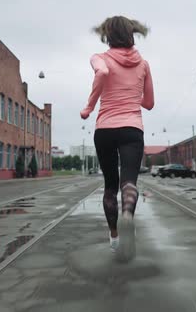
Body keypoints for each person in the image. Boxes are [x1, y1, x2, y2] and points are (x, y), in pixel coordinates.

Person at [80, 16, 154, 262]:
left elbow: (101, 73)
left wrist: (89, 107)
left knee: (110, 186)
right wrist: (133, 95)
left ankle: (114, 237)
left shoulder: (99, 58)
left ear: (107, 35)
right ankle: (128, 215)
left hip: (105, 130)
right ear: (131, 33)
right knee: (128, 181)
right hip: (132, 129)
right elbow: (149, 103)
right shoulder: (143, 64)